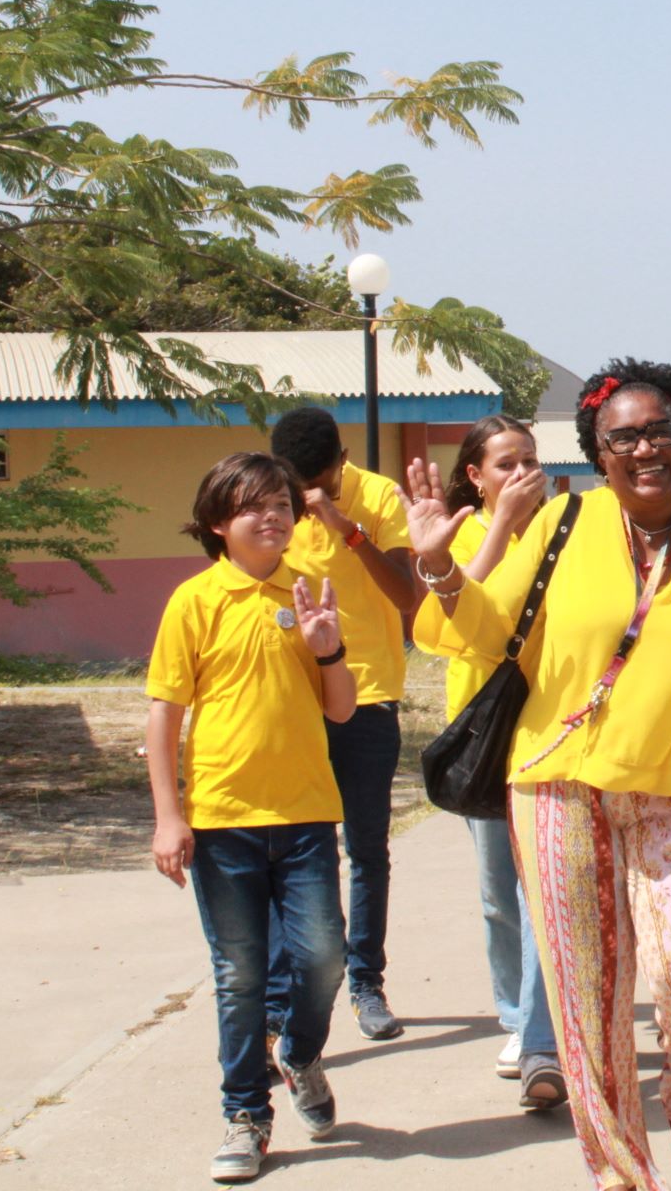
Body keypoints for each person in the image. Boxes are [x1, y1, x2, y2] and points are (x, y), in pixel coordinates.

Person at [407, 359, 671, 1191]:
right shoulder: (563, 522)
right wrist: (439, 566)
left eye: (660, 432)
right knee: (588, 999)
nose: (645, 449)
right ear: (598, 451)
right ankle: (621, 1173)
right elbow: (482, 632)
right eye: (624, 437)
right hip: (557, 783)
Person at [144, 452, 353, 1183]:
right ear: (216, 523)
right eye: (253, 506)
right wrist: (168, 817)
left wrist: (329, 650)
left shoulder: (309, 590)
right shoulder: (194, 601)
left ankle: (298, 1050)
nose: (273, 517)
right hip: (222, 820)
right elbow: (164, 716)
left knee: (325, 956)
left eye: (283, 505)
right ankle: (246, 1115)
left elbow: (341, 709)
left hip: (305, 814)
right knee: (238, 974)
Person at [432, 415, 565, 1109]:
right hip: (484, 734)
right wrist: (499, 527)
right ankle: (516, 1017)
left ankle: (540, 1030)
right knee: (497, 893)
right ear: (475, 475)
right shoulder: (458, 535)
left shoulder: (563, 531)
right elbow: (447, 623)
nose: (522, 474)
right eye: (506, 464)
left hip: (548, 729)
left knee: (540, 888)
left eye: (530, 461)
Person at [268, 407, 413, 1042]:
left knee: (366, 848)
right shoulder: (270, 505)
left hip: (369, 697)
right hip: (294, 699)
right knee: (293, 851)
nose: (304, 496)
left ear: (342, 460)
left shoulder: (377, 497)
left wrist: (345, 528)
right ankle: (286, 999)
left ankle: (365, 981)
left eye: (316, 483)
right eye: (295, 485)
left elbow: (407, 595)